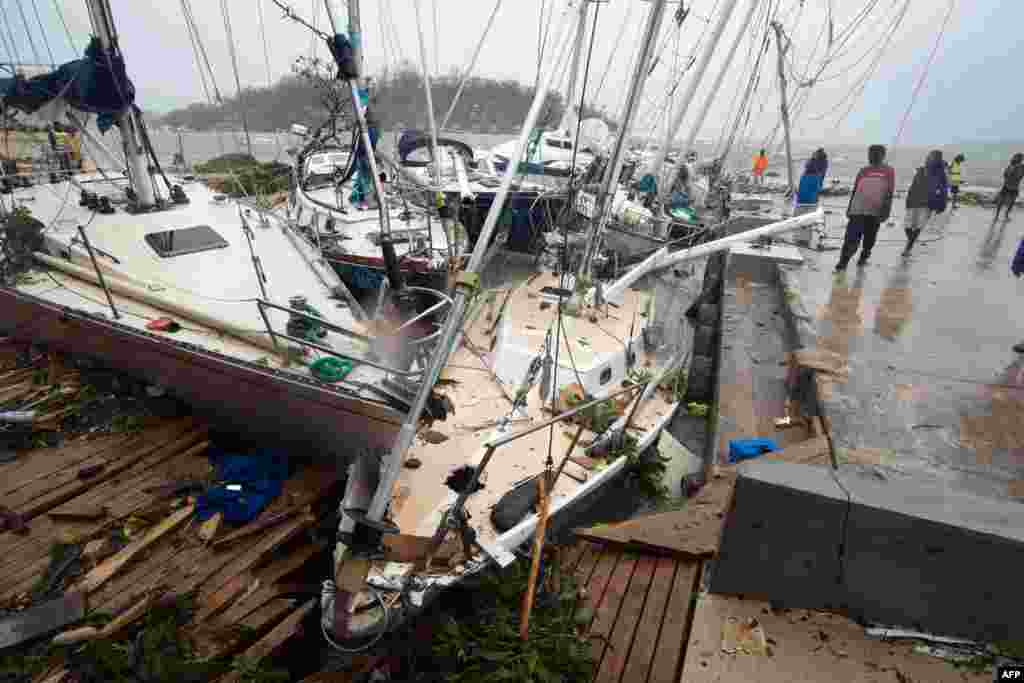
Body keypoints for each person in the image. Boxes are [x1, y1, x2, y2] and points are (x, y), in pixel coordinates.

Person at [835, 144, 895, 271]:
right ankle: (843, 261)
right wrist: (850, 207)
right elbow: (856, 189)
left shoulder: (889, 171)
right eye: (870, 154)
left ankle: (864, 255)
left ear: (882, 156)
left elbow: (889, 192)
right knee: (851, 237)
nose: (871, 156)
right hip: (858, 209)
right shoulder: (863, 171)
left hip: (875, 212)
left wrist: (886, 211)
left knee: (869, 238)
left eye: (875, 154)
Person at [901, 150, 948, 257]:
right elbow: (913, 186)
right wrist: (908, 200)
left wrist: (942, 204)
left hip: (928, 203)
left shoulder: (941, 174)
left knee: (918, 226)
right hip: (914, 201)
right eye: (930, 156)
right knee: (907, 226)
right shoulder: (921, 170)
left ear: (938, 159)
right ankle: (910, 242)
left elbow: (944, 190)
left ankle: (909, 246)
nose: (930, 158)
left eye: (933, 157)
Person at [349, 81, 380, 210]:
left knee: (364, 171)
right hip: (366, 136)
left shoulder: (367, 100)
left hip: (369, 134)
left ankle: (357, 196)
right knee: (365, 170)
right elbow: (361, 110)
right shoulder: (362, 99)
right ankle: (365, 199)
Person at [994, 153, 1024, 221]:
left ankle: (1006, 215)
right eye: (1018, 158)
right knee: (1001, 202)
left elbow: (1019, 176)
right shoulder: (1011, 166)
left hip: (1014, 188)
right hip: (1007, 187)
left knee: (1011, 203)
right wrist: (1012, 171)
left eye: (1020, 158)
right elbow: (1005, 175)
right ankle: (997, 216)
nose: (1020, 159)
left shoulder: (1022, 167)